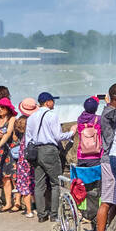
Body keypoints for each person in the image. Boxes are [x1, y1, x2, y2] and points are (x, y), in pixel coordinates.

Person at [27, 91, 69, 222]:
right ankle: (54, 214)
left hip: (35, 151)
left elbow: (28, 138)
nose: (54, 103)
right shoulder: (52, 115)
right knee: (56, 183)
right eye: (52, 101)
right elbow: (58, 136)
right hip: (49, 150)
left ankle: (41, 215)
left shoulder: (31, 117)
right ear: (47, 102)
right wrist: (71, 133)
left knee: (39, 184)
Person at [96, 84, 116, 231]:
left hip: (111, 159)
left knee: (113, 202)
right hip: (108, 159)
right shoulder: (110, 113)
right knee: (107, 202)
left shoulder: (109, 111)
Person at [11, 114, 34, 216]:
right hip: (31, 164)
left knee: (25, 189)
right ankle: (34, 209)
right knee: (33, 187)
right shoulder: (32, 136)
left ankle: (29, 211)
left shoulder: (22, 137)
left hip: (22, 166)